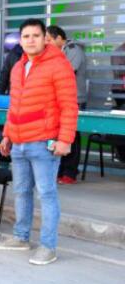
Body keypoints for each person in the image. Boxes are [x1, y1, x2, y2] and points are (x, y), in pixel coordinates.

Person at [0, 18, 77, 266]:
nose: (31, 40)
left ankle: (48, 246)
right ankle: (21, 237)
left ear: (45, 39)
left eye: (36, 36)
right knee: (21, 192)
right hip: (18, 142)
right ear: (20, 40)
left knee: (47, 194)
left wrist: (65, 140)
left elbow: (69, 106)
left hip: (43, 142)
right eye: (26, 36)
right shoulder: (18, 67)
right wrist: (7, 134)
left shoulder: (58, 66)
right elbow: (15, 105)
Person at [46, 25, 86, 185]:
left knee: (72, 136)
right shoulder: (53, 54)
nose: (46, 43)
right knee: (58, 135)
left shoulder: (73, 50)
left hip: (74, 99)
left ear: (59, 38)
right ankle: (60, 171)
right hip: (57, 100)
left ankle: (70, 173)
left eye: (49, 40)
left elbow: (68, 71)